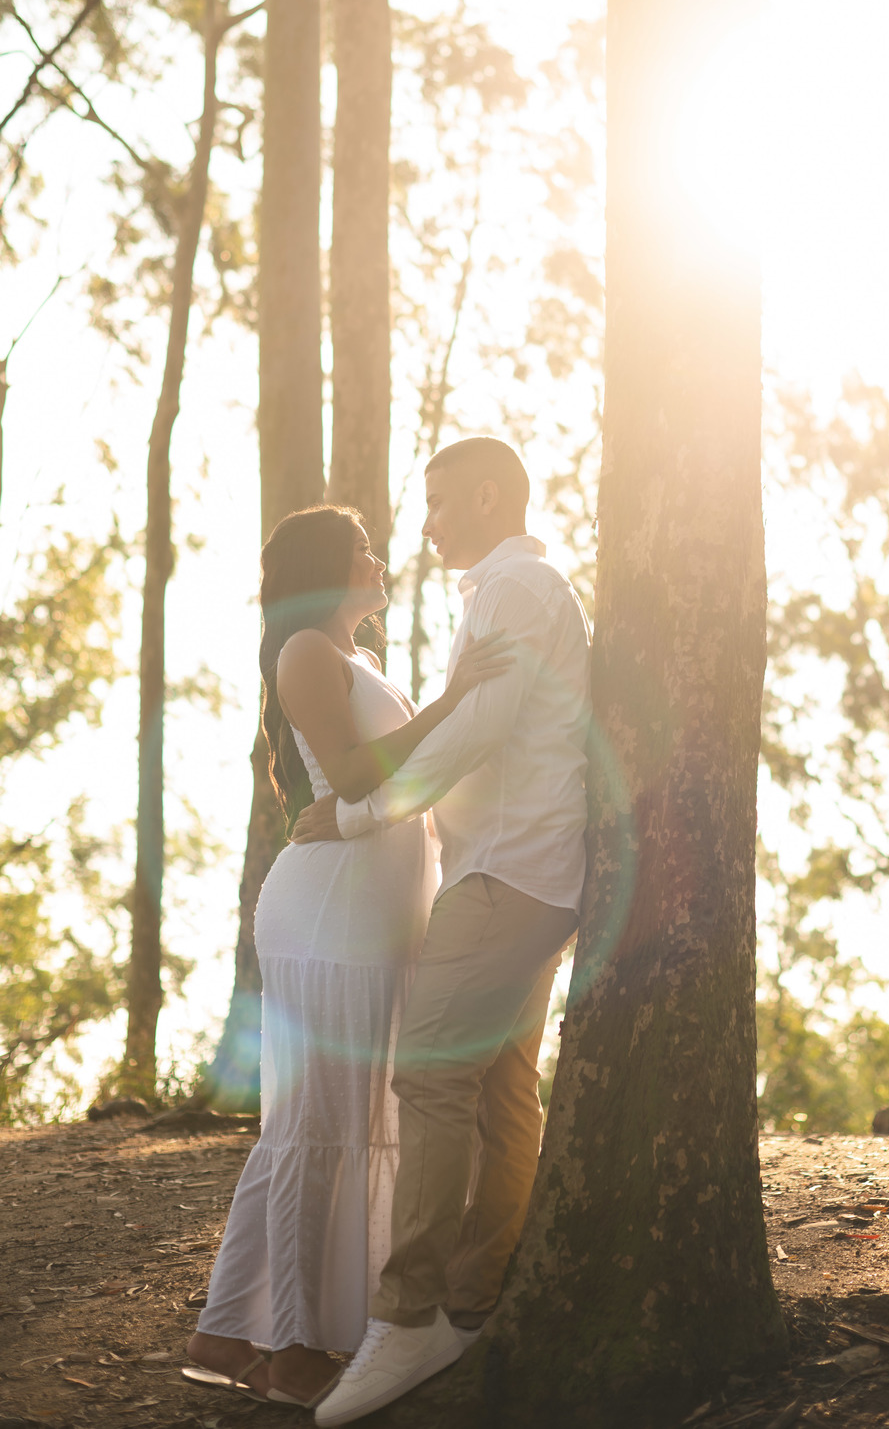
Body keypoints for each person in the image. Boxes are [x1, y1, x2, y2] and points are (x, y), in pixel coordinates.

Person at [290, 439, 591, 1428]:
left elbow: (483, 731)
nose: (425, 525)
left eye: (438, 503)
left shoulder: (518, 589)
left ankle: (408, 1314)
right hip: (515, 867)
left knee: (428, 1072)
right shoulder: (502, 593)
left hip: (509, 872)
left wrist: (359, 813)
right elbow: (474, 728)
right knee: (503, 1086)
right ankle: (472, 1301)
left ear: (488, 494)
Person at [184, 505, 511, 1408]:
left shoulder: (362, 660)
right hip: (327, 916)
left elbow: (407, 773)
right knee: (318, 1126)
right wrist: (451, 701)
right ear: (327, 566)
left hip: (382, 916)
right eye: (362, 548)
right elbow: (363, 774)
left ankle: (225, 1331)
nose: (378, 558)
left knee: (336, 1120)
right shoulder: (303, 652)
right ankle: (291, 1346)